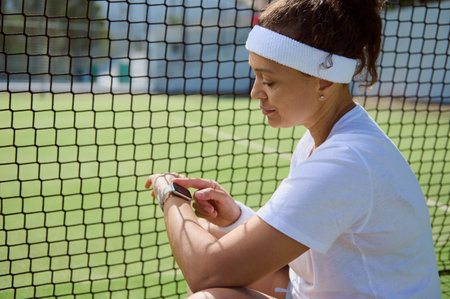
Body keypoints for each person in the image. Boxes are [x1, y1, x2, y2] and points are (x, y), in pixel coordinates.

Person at [145, 0, 442, 298]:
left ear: (323, 80)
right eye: (256, 75)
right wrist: (235, 217)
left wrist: (170, 193)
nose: (255, 92)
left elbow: (205, 271)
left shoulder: (345, 161)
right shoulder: (321, 142)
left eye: (269, 81)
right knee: (214, 233)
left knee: (209, 292)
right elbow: (300, 255)